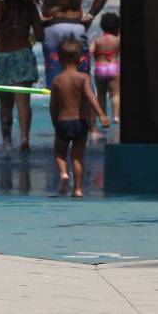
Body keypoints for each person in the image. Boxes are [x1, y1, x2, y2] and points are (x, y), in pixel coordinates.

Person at [0, 0, 45, 154]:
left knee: (5, 105)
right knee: (23, 102)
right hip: (22, 55)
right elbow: (39, 35)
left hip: (2, 56)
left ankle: (6, 142)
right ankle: (24, 138)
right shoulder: (29, 7)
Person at [50, 38, 110, 197]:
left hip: (63, 122)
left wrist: (54, 122)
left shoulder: (57, 80)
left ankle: (63, 174)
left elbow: (53, 105)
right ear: (81, 58)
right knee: (77, 157)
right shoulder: (84, 78)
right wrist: (102, 115)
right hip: (80, 123)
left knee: (59, 153)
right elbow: (91, 97)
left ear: (58, 58)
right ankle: (77, 189)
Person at [91, 12, 121, 125]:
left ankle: (103, 116)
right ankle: (116, 117)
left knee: (101, 94)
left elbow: (89, 52)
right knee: (115, 94)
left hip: (100, 68)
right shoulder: (117, 40)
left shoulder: (97, 40)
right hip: (113, 67)